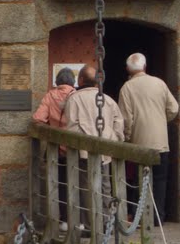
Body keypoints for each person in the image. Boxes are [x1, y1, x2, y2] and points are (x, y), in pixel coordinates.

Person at [118, 51, 178, 223]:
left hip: (139, 143)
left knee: (139, 182)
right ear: (145, 66)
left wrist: (127, 138)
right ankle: (158, 217)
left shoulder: (127, 88)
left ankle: (141, 217)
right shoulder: (159, 83)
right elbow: (173, 108)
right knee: (159, 181)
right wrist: (161, 119)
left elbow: (126, 119)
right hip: (160, 142)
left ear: (128, 69)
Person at [64, 64, 124, 230]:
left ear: (80, 80)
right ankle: (106, 222)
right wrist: (114, 141)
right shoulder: (108, 100)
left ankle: (90, 223)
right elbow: (119, 124)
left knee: (85, 187)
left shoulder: (74, 99)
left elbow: (71, 126)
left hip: (83, 151)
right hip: (105, 150)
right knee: (105, 185)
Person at [32, 67, 77, 228]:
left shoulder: (50, 96)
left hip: (56, 149)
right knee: (78, 182)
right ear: (73, 81)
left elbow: (38, 118)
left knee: (61, 184)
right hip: (75, 148)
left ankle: (62, 220)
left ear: (57, 81)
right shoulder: (76, 96)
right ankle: (78, 220)